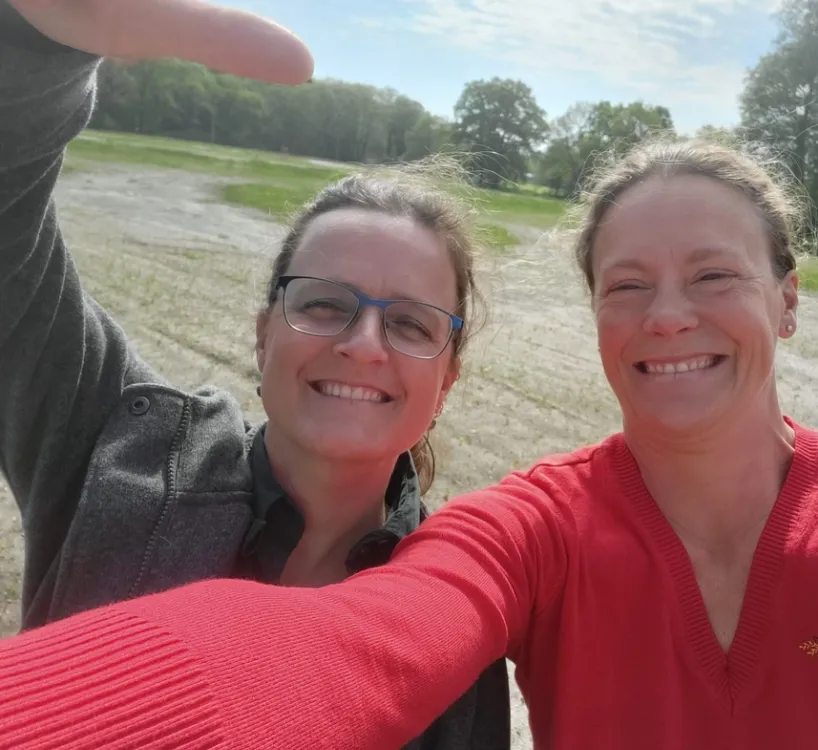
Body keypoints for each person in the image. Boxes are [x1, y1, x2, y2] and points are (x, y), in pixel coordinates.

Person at [4, 6, 818, 750]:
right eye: (627, 284)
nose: (669, 315)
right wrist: (34, 49)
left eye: (714, 275)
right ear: (264, 322)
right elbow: (352, 645)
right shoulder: (516, 537)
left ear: (787, 299)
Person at [0, 0, 510, 747]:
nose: (364, 344)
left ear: (448, 379)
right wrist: (37, 45)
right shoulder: (119, 442)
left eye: (410, 324)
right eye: (324, 304)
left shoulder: (454, 620)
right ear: (265, 332)